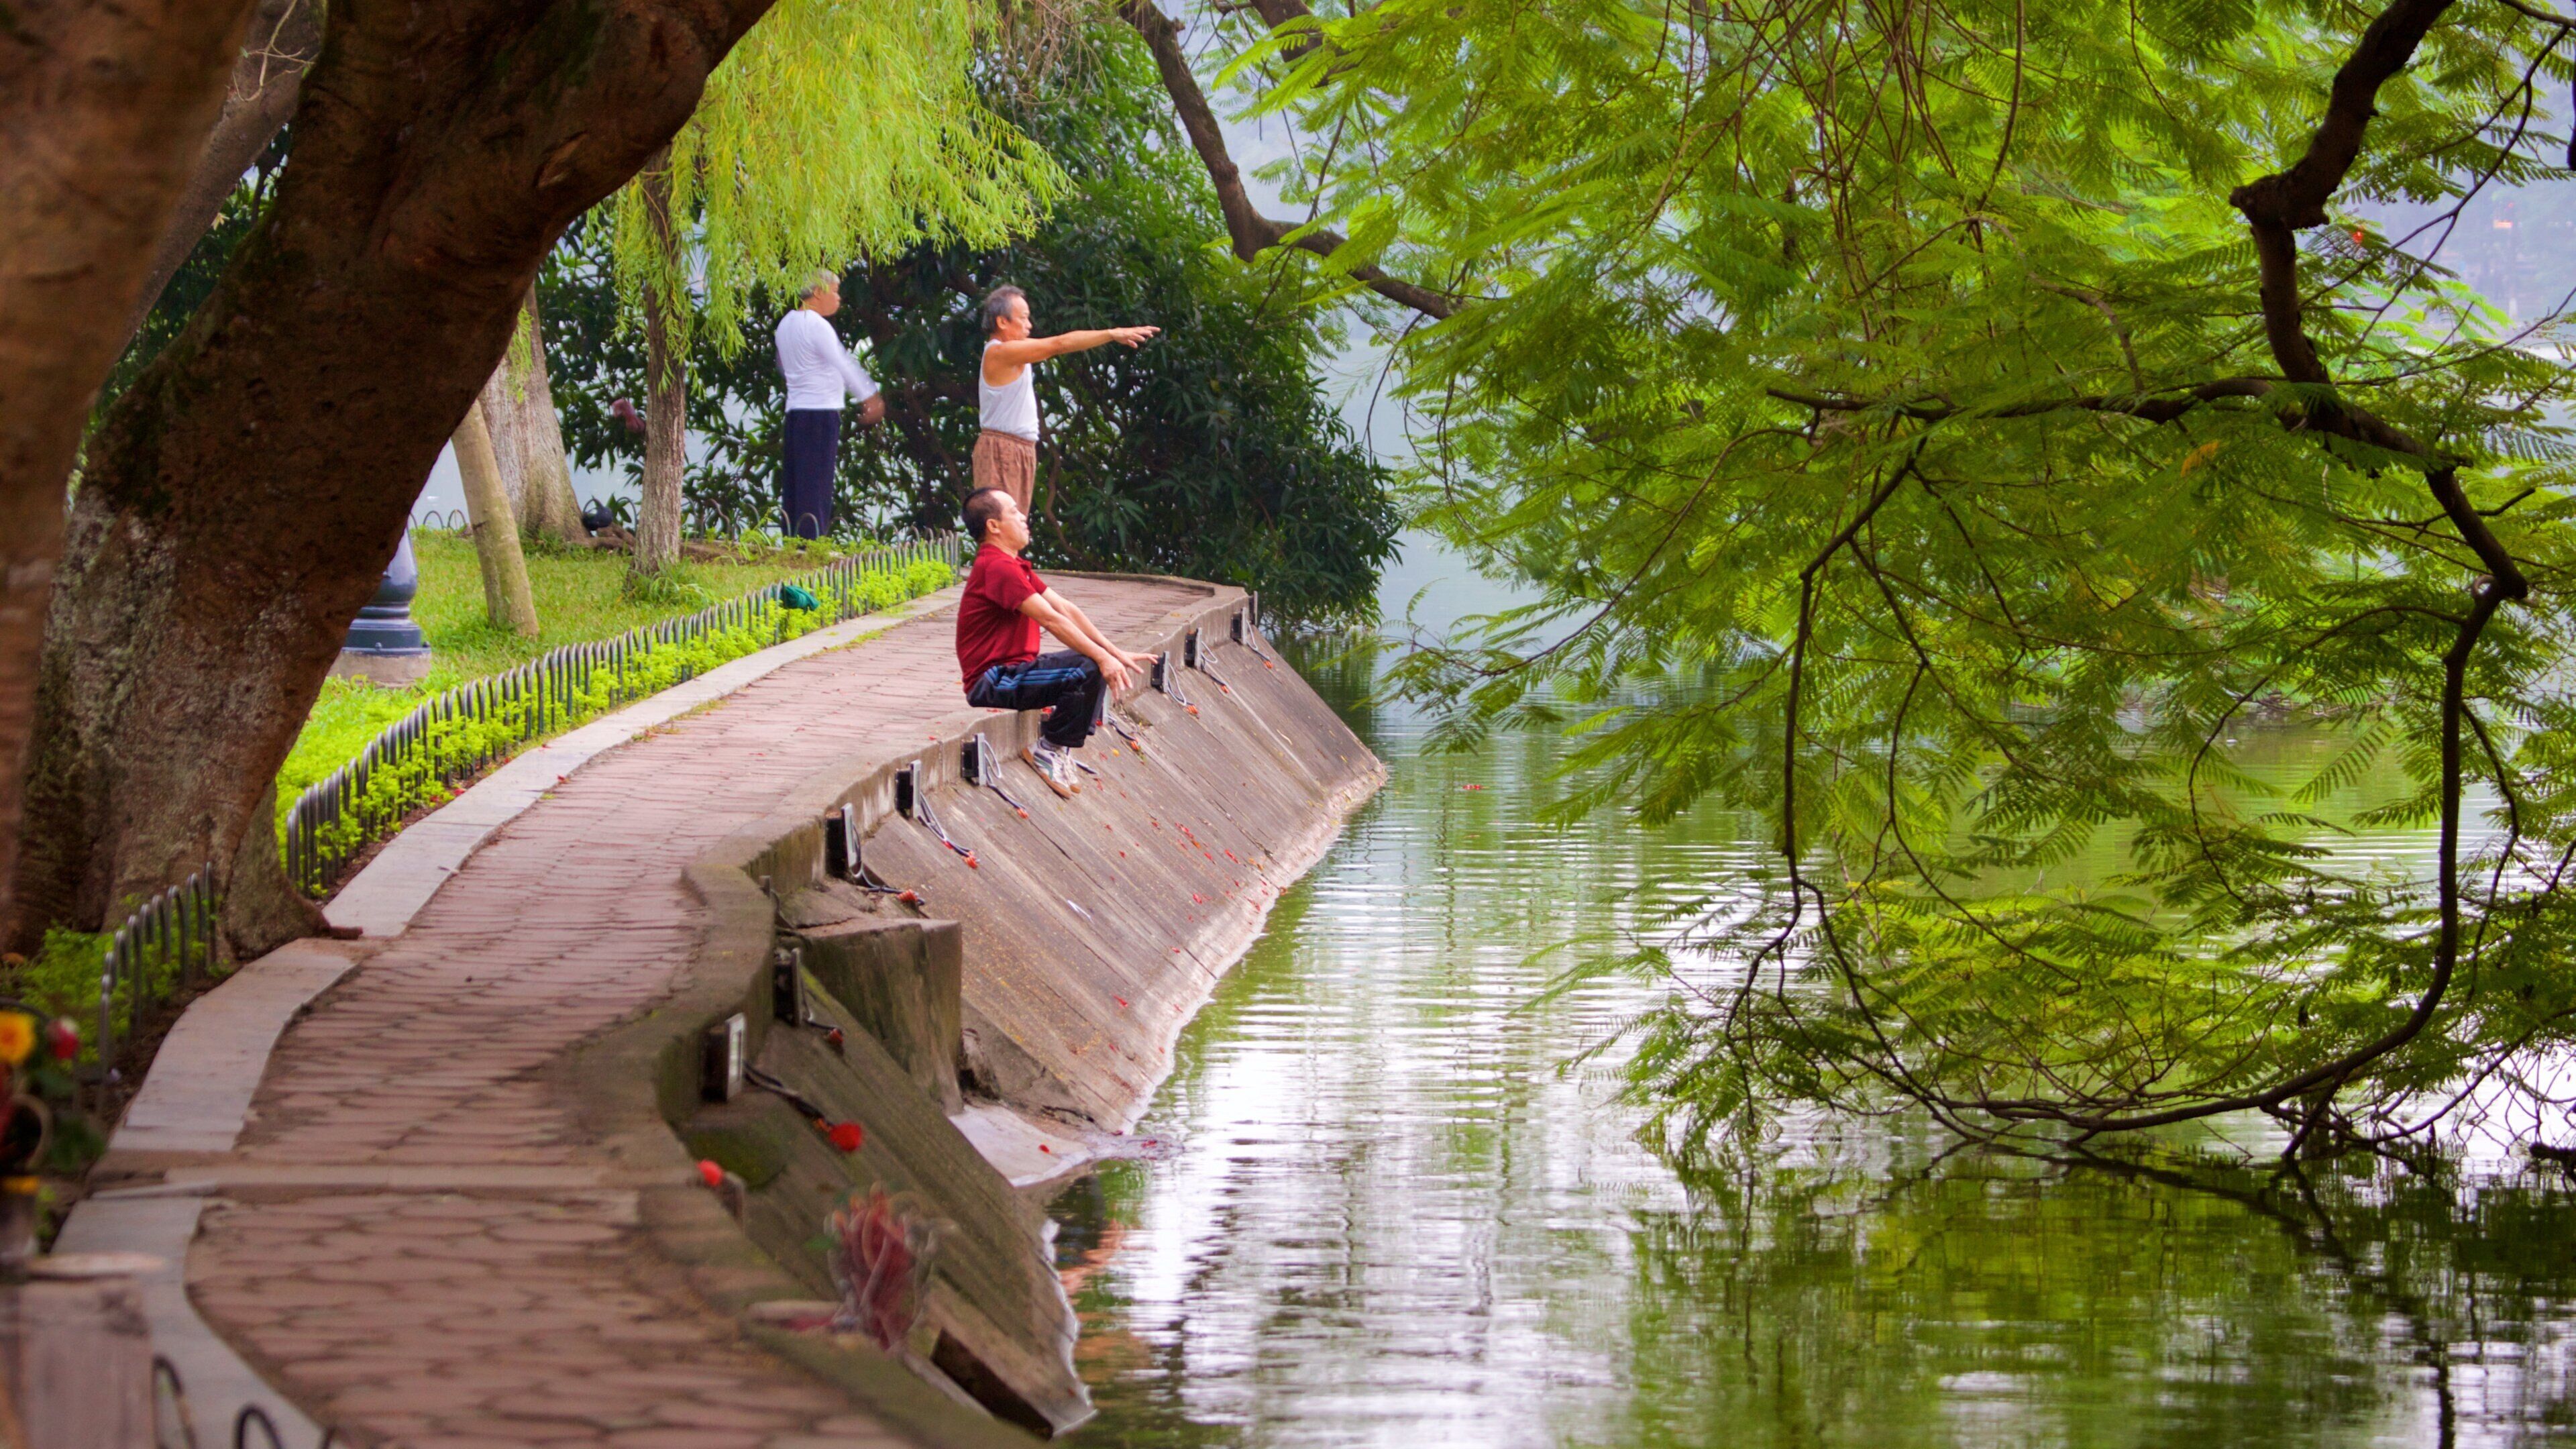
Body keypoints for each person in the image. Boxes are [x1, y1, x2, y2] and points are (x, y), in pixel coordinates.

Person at [955, 488, 1159, 798]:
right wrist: (1103, 659)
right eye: (1013, 512)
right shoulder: (996, 567)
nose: (1023, 518)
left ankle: (1057, 750)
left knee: (1093, 662)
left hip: (1013, 673)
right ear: (993, 526)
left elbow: (1066, 609)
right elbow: (1051, 621)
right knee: (1088, 667)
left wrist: (1114, 652)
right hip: (992, 681)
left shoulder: (1012, 565)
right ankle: (1049, 748)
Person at [975, 285, 1159, 514]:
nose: (1029, 325)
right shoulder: (1000, 353)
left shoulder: (1012, 352)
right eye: (1023, 318)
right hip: (1004, 451)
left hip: (1018, 449)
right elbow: (1059, 344)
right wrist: (1112, 334)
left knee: (1013, 528)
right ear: (1002, 322)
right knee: (1001, 526)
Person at [773, 268, 885, 539]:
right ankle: (812, 543)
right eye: (835, 291)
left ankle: (792, 538)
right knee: (817, 481)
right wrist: (869, 396)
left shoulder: (786, 323)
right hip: (820, 412)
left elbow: (782, 364)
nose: (838, 298)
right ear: (818, 292)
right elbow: (842, 363)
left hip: (796, 411)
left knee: (797, 480)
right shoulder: (817, 325)